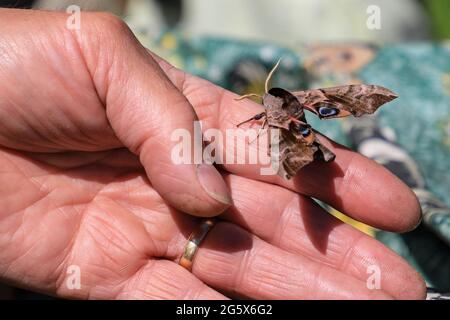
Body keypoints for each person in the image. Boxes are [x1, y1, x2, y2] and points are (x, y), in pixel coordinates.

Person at [0, 8, 425, 299]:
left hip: (296, 128)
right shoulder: (287, 107)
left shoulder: (270, 115)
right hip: (304, 119)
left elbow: (269, 120)